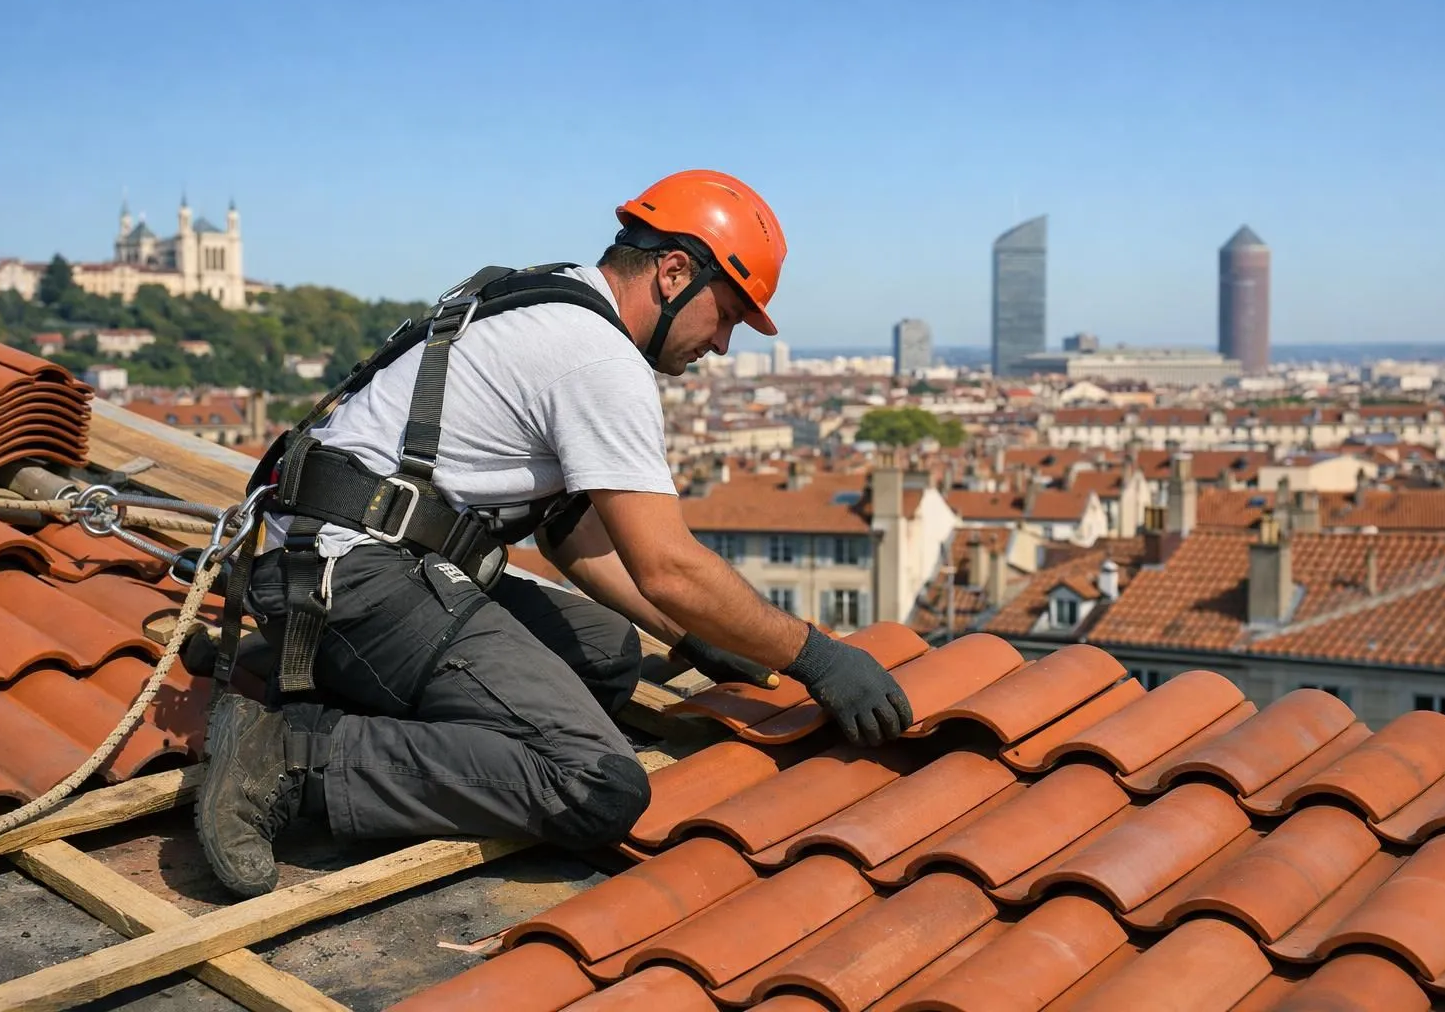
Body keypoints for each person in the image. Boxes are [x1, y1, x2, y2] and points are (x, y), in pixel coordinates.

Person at [195, 169, 914, 898]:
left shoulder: (550, 297)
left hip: (343, 555)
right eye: (726, 313)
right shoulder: (598, 358)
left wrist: (694, 636)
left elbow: (574, 538)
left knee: (606, 656)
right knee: (593, 783)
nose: (723, 344)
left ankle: (326, 668)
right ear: (672, 273)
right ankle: (288, 758)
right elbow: (667, 565)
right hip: (354, 573)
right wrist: (818, 659)